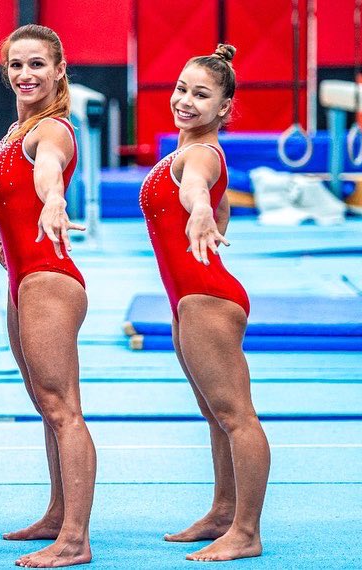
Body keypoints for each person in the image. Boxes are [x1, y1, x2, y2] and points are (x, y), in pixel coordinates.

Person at [138, 44, 270, 562]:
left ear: (224, 109)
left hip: (207, 298)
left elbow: (197, 188)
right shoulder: (185, 149)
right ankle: (222, 512)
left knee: (237, 416)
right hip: (189, 299)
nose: (185, 101)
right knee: (216, 416)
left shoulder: (200, 157)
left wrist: (198, 211)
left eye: (201, 94)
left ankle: (247, 531)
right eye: (181, 89)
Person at [0, 24, 96, 569]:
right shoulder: (17, 128)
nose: (25, 75)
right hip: (23, 276)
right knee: (44, 406)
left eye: (36, 65)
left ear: (59, 70)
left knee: (63, 408)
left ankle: (75, 539)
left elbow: (49, 172)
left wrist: (53, 201)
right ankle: (57, 513)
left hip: (50, 277)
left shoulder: (50, 131)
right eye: (16, 65)